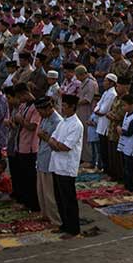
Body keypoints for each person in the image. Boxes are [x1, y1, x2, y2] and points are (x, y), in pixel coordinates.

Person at [47, 93, 83, 238]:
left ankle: (73, 229)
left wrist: (55, 144)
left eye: (65, 106)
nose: (62, 108)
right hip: (57, 164)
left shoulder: (76, 125)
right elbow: (52, 139)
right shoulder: (63, 122)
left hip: (67, 166)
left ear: (72, 107)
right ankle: (64, 224)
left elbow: (66, 146)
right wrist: (55, 144)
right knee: (59, 198)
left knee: (68, 199)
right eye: (62, 105)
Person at [34, 96, 63, 226]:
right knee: (41, 191)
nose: (39, 114)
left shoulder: (57, 121)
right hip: (42, 157)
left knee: (50, 193)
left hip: (51, 159)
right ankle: (45, 215)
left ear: (47, 108)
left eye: (40, 111)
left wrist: (43, 136)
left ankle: (55, 219)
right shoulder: (44, 118)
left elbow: (57, 142)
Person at [117, 95, 133, 193]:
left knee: (130, 168)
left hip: (131, 145)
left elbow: (129, 132)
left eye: (125, 105)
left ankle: (131, 187)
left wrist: (121, 131)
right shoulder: (127, 115)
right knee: (125, 167)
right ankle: (126, 185)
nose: (123, 107)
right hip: (125, 144)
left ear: (131, 105)